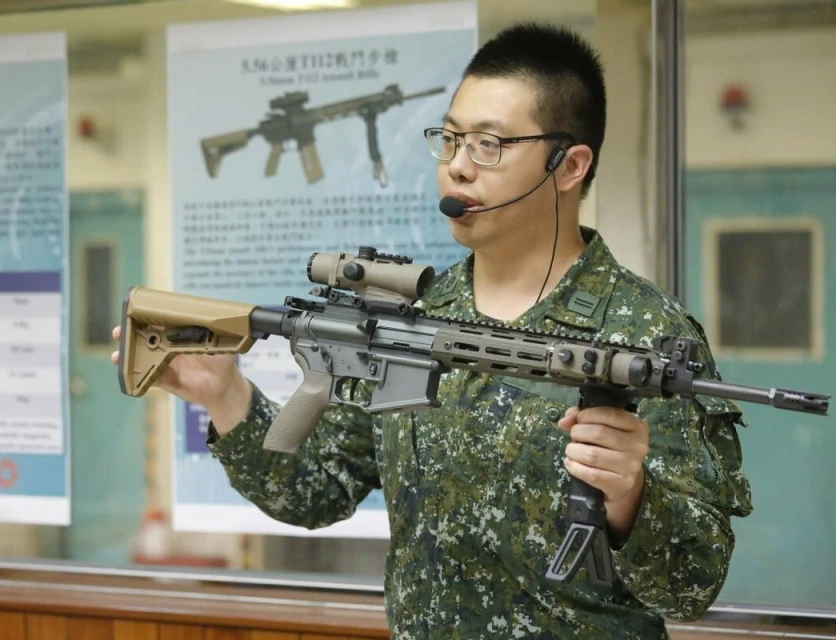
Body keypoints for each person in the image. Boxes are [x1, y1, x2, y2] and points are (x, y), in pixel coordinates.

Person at [114, 22, 752, 639]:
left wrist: (631, 498)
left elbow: (692, 587)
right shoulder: (412, 316)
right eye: (448, 140)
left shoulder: (643, 336)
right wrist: (224, 393)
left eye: (488, 145)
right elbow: (314, 490)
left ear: (569, 165)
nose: (457, 168)